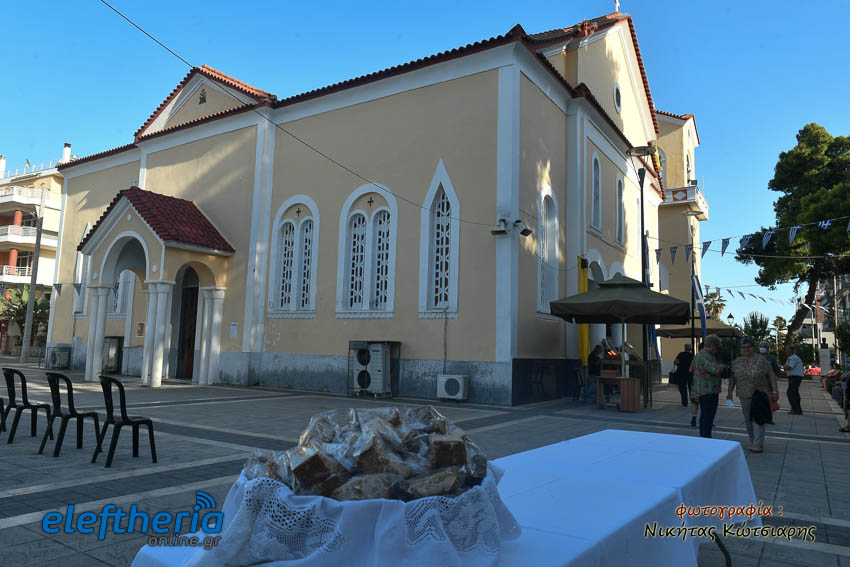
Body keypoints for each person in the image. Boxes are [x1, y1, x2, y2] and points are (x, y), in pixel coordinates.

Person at [728, 337, 779, 453]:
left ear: (753, 348)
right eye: (743, 347)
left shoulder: (762, 360)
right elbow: (732, 378)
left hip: (760, 393)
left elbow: (771, 375)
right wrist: (729, 392)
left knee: (758, 418)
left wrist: (775, 391)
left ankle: (758, 443)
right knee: (747, 419)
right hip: (743, 394)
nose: (746, 349)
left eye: (748, 347)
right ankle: (752, 440)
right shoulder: (736, 362)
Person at [692, 334, 727, 438]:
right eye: (717, 347)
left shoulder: (701, 354)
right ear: (712, 345)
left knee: (706, 416)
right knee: (707, 417)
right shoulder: (705, 355)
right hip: (708, 391)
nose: (717, 350)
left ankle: (705, 437)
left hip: (705, 390)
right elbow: (715, 370)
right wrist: (722, 366)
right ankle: (706, 438)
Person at [673, 344, 698, 426]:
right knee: (691, 388)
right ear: (691, 349)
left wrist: (680, 363)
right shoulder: (692, 356)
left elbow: (675, 362)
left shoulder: (680, 354)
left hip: (681, 374)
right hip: (690, 374)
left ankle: (684, 402)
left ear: (685, 348)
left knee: (682, 388)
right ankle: (692, 402)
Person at [783, 346, 805, 415]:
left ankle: (795, 409)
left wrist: (784, 367)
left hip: (795, 377)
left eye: (788, 350)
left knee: (790, 393)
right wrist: (785, 367)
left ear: (792, 351)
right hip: (794, 377)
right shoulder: (791, 358)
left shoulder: (793, 358)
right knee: (795, 393)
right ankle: (797, 409)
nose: (786, 351)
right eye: (786, 350)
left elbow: (789, 367)